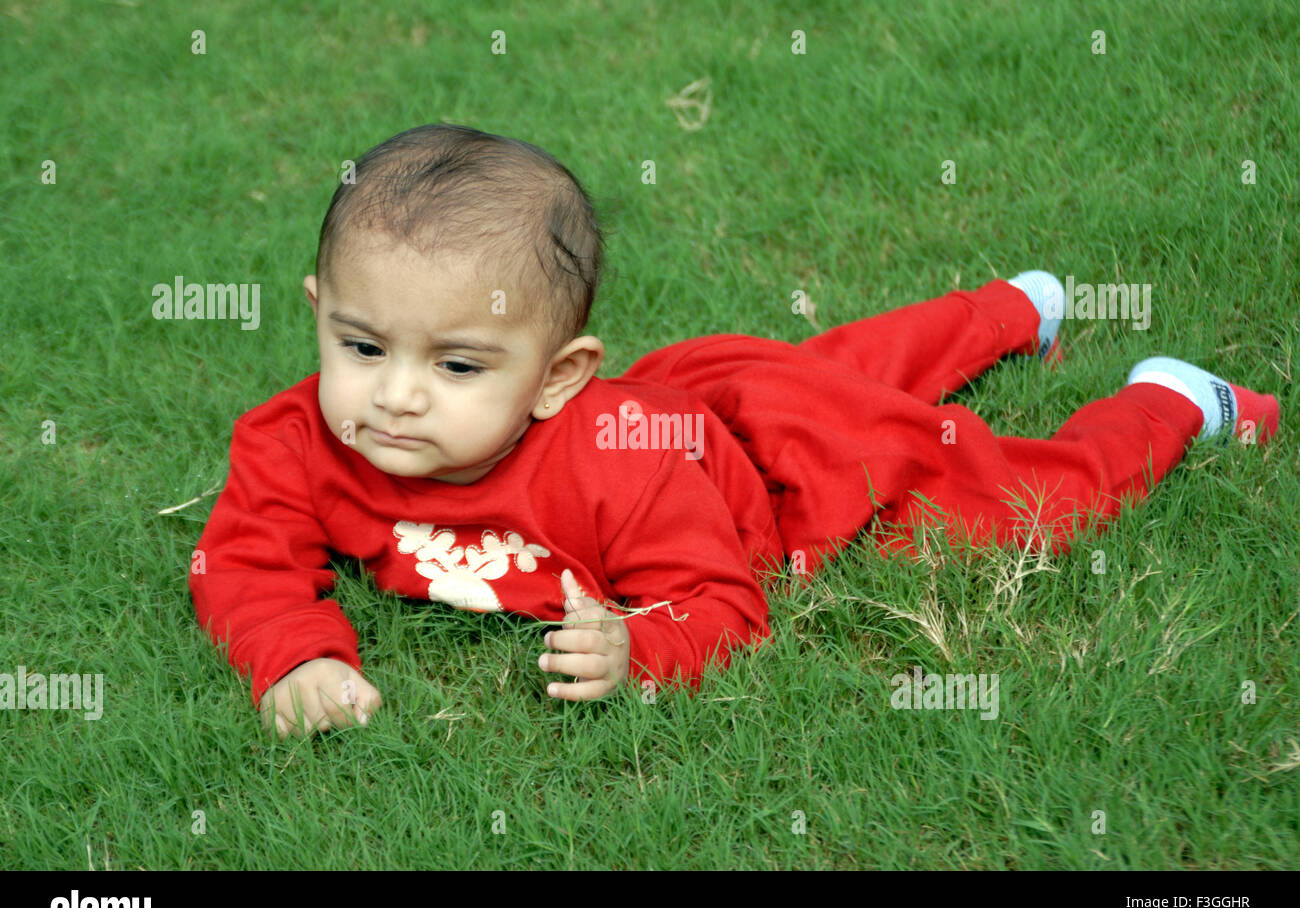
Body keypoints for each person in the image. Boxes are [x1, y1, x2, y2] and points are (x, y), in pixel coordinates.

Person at [188, 124, 1279, 738]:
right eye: (362, 346)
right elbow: (243, 554)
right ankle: (1014, 310)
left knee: (1007, 490)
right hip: (699, 400)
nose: (395, 397)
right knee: (829, 368)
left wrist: (640, 648)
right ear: (318, 314)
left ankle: (1174, 399)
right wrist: (291, 656)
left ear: (557, 377)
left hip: (773, 466)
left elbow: (727, 604)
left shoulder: (623, 478)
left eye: (456, 365)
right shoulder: (293, 440)